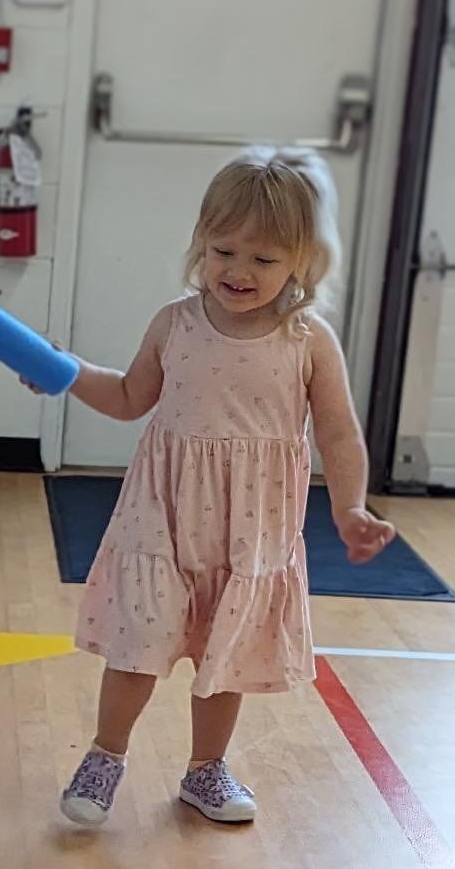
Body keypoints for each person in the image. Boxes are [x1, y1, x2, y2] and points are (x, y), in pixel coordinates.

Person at [57, 147, 394, 829]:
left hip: (252, 527)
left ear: (302, 261)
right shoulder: (176, 324)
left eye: (263, 260)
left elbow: (338, 433)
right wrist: (66, 372)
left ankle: (205, 770)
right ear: (200, 245)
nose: (238, 272)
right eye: (223, 251)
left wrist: (351, 507)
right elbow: (127, 397)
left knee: (227, 654)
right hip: (165, 517)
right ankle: (104, 755)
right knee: (138, 644)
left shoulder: (308, 340)